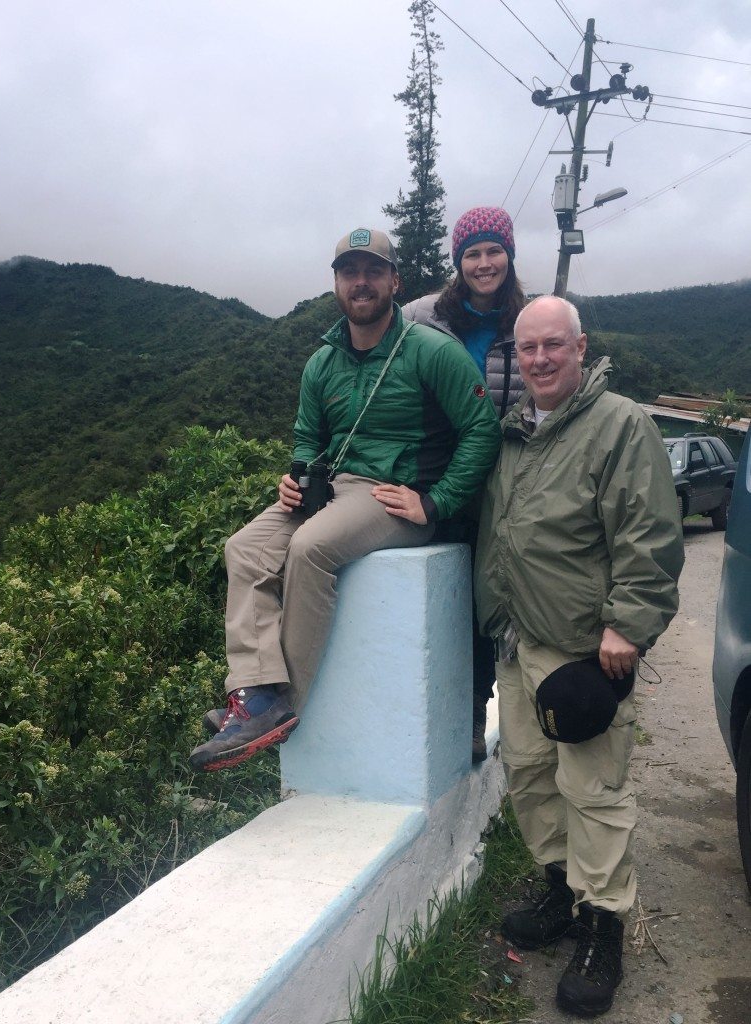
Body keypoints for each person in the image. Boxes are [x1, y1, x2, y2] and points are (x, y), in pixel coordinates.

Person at [189, 227, 502, 773]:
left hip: (393, 497)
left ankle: (284, 703)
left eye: (373, 271)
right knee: (244, 547)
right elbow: (308, 440)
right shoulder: (322, 363)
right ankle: (254, 691)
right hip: (331, 489)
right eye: (349, 272)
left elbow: (481, 431)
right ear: (336, 283)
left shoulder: (432, 351)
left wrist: (437, 502)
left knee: (310, 548)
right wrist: (295, 479)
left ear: (393, 281)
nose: (361, 282)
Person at [474, 295, 684, 1017]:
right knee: (530, 774)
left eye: (553, 346)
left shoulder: (620, 425)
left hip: (586, 649)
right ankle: (561, 890)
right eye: (527, 349)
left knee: (592, 789)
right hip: (517, 638)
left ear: (580, 347)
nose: (539, 359)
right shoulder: (510, 434)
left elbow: (651, 532)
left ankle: (603, 924)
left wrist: (628, 624)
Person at [402, 206, 525, 762]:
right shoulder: (422, 318)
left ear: (510, 255)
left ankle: (479, 711)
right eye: (471, 253)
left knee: (486, 599)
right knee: (439, 594)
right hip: (436, 471)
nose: (483, 263)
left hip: (504, 479)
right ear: (458, 261)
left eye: (493, 251)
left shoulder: (526, 322)